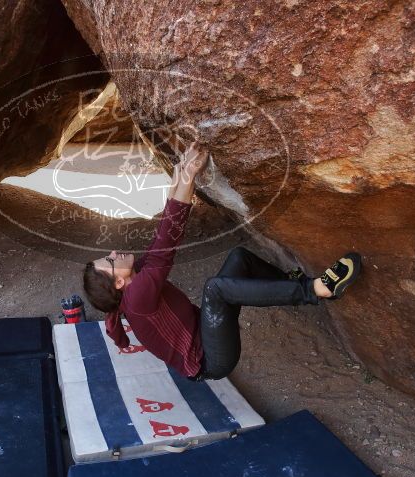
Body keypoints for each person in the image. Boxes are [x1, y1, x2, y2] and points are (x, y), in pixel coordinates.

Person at [83, 142, 361, 380]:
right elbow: (167, 245)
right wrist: (188, 175)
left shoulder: (138, 278)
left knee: (240, 258)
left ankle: (292, 283)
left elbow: (162, 236)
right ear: (119, 282)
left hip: (206, 327)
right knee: (216, 288)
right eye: (109, 261)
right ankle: (314, 291)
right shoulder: (137, 297)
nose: (113, 253)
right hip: (210, 359)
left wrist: (180, 175)